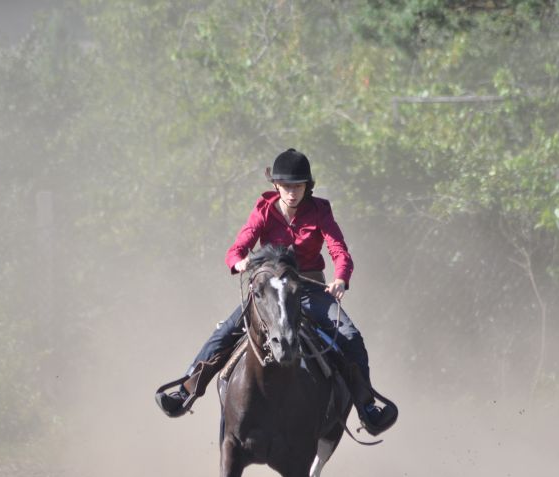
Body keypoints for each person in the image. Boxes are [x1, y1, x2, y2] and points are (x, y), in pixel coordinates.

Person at [154, 148, 397, 435]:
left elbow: (339, 251)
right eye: (286, 186)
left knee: (350, 336)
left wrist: (341, 278)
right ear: (276, 186)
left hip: (310, 289)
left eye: (298, 186)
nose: (292, 192)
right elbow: (237, 248)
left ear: (308, 186)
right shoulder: (263, 210)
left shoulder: (321, 211)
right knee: (224, 334)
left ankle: (367, 406)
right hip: (270, 292)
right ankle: (187, 389)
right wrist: (239, 262)